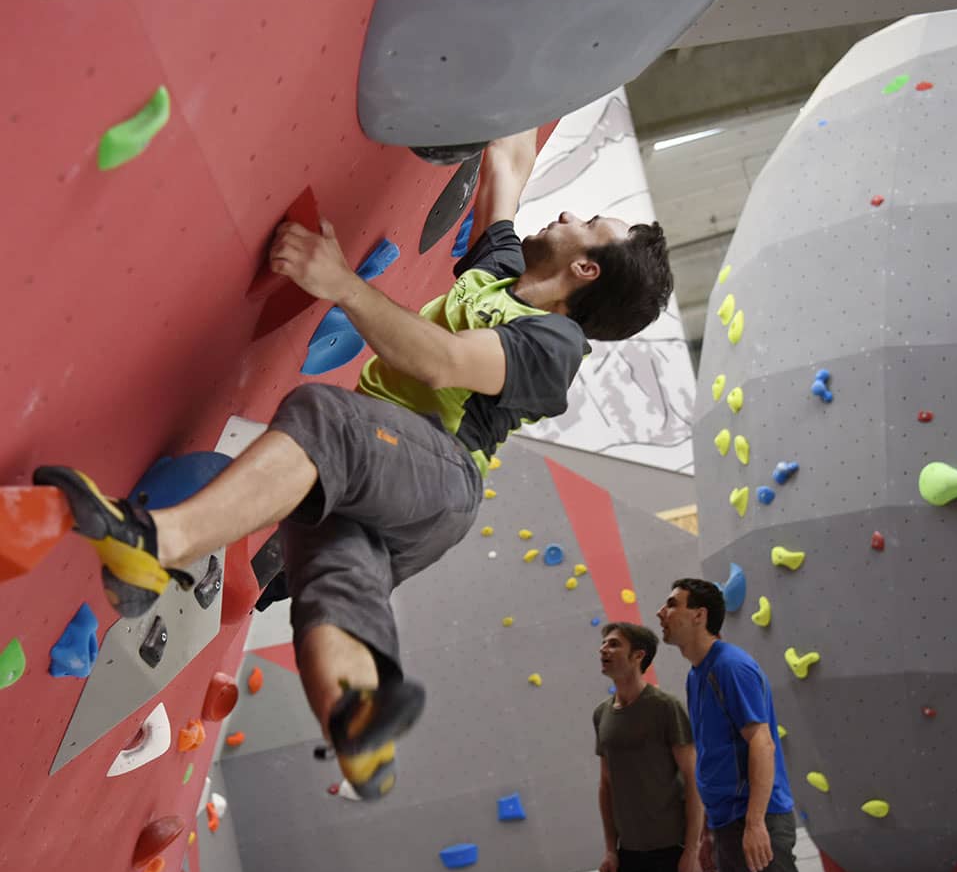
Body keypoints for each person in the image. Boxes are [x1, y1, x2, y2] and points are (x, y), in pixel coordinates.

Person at [31, 128, 674, 800]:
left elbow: (441, 361)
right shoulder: (500, 271)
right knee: (330, 585)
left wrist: (339, 281)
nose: (569, 215)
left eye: (589, 223)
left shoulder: (556, 343)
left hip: (437, 476)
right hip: (381, 478)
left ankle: (160, 544)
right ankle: (359, 727)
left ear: (587, 269)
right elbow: (507, 160)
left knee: (324, 416)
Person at [658, 579, 831, 872]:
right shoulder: (696, 675)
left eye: (672, 604)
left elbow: (762, 742)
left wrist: (755, 824)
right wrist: (708, 833)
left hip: (757, 823)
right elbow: (712, 757)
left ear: (699, 615)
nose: (662, 613)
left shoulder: (732, 668)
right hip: (728, 828)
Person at [594, 622, 728, 872]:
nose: (603, 650)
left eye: (613, 645)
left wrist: (692, 848)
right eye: (603, 645)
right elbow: (606, 784)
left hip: (676, 840)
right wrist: (611, 848)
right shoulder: (602, 715)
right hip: (633, 847)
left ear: (638, 655)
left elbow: (693, 777)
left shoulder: (665, 707)